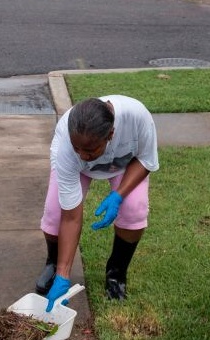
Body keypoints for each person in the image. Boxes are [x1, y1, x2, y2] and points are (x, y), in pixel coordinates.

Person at [37, 95, 158, 310]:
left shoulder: (137, 116)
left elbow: (146, 159)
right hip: (78, 171)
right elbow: (71, 217)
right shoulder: (66, 146)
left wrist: (119, 195)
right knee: (55, 214)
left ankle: (116, 274)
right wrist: (65, 275)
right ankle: (55, 266)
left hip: (124, 165)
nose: (83, 155)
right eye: (78, 149)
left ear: (111, 134)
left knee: (133, 209)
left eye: (90, 150)